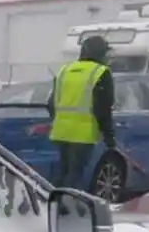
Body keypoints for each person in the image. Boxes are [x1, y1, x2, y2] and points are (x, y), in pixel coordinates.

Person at [47, 35, 117, 192]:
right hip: (83, 135)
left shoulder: (65, 71)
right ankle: (67, 206)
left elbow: (51, 104)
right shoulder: (101, 73)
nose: (107, 57)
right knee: (75, 174)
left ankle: (55, 201)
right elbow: (103, 108)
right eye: (105, 53)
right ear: (99, 53)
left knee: (64, 172)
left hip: (61, 132)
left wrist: (58, 120)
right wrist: (109, 136)